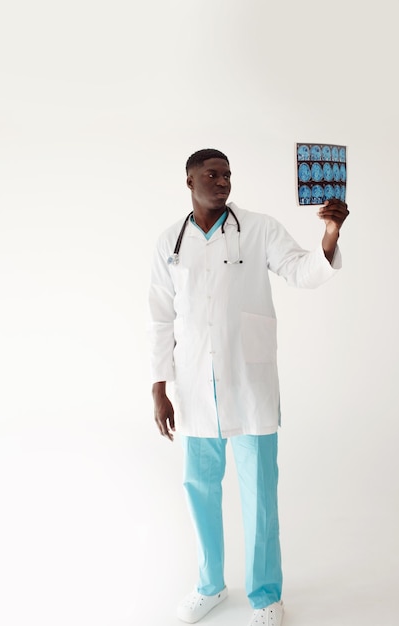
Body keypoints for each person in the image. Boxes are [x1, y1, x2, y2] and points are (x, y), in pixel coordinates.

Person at [148, 148, 349, 626]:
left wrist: (329, 234)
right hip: (196, 386)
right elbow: (158, 316)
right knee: (199, 489)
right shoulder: (169, 242)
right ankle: (209, 586)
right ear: (189, 181)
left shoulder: (258, 228)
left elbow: (301, 270)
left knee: (260, 493)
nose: (222, 182)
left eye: (227, 174)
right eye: (212, 175)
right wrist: (159, 386)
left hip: (249, 380)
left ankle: (266, 596)